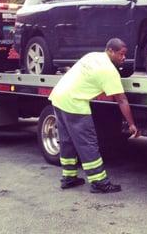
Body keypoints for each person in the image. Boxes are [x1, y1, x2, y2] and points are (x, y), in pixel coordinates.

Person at [48, 38, 139, 193]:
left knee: (67, 141)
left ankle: (68, 178)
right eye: (121, 54)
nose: (124, 57)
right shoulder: (109, 71)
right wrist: (131, 124)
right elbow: (122, 100)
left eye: (125, 54)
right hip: (74, 103)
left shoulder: (92, 56)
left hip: (58, 97)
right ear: (110, 51)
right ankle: (99, 182)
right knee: (87, 144)